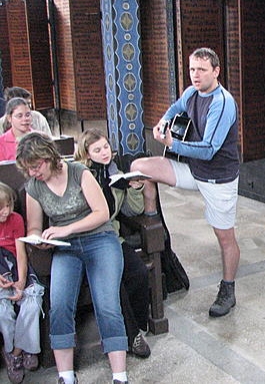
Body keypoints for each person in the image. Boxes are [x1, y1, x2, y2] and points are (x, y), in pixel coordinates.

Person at [130, 47, 240, 318]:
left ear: (216, 71)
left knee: (225, 237)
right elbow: (176, 107)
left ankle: (228, 289)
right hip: (192, 168)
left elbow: (209, 149)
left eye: (202, 69)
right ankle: (154, 227)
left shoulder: (222, 103)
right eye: (192, 69)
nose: (195, 75)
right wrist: (163, 122)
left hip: (217, 177)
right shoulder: (191, 93)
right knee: (140, 167)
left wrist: (172, 144)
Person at [16, 132, 129, 384]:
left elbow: (102, 213)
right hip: (65, 247)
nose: (33, 172)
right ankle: (66, 376)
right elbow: (33, 226)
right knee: (59, 306)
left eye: (36, 166)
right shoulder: (34, 187)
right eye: (28, 168)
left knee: (107, 305)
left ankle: (119, 376)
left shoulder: (79, 172)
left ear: (48, 156)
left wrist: (66, 228)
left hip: (99, 239)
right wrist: (38, 238)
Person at [74, 129, 151, 358]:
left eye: (106, 147)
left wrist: (134, 189)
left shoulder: (116, 173)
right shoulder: (80, 175)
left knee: (139, 273)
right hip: (88, 239)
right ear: (87, 154)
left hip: (112, 237)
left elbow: (133, 210)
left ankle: (137, 325)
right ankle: (132, 336)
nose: (104, 153)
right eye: (97, 150)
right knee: (114, 281)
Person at [0, 181, 43, 384]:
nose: (6, 211)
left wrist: (21, 281)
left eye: (8, 205)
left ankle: (17, 352)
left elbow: (20, 252)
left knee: (32, 302)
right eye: (1, 208)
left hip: (16, 264)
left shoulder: (15, 219)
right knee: (3, 311)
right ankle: (13, 350)